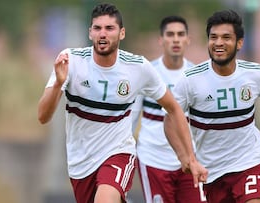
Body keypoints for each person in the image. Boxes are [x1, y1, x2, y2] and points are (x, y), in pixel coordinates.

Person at [37, 3, 207, 203]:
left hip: (118, 153)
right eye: (98, 28)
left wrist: (190, 158)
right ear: (90, 32)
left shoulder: (137, 67)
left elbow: (173, 108)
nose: (103, 34)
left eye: (109, 28)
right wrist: (58, 84)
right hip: (80, 162)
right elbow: (43, 116)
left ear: (121, 33)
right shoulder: (71, 62)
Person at [163, 10, 260, 203]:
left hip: (249, 162)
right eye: (213, 37)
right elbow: (170, 119)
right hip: (212, 171)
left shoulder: (257, 74)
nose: (218, 43)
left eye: (226, 37)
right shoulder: (190, 79)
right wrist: (184, 157)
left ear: (240, 43)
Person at [132, 16, 207, 203]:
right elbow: (132, 117)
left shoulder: (197, 76)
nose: (175, 39)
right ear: (161, 40)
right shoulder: (147, 73)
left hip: (190, 161)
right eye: (170, 34)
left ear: (188, 40)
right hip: (153, 159)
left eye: (180, 34)